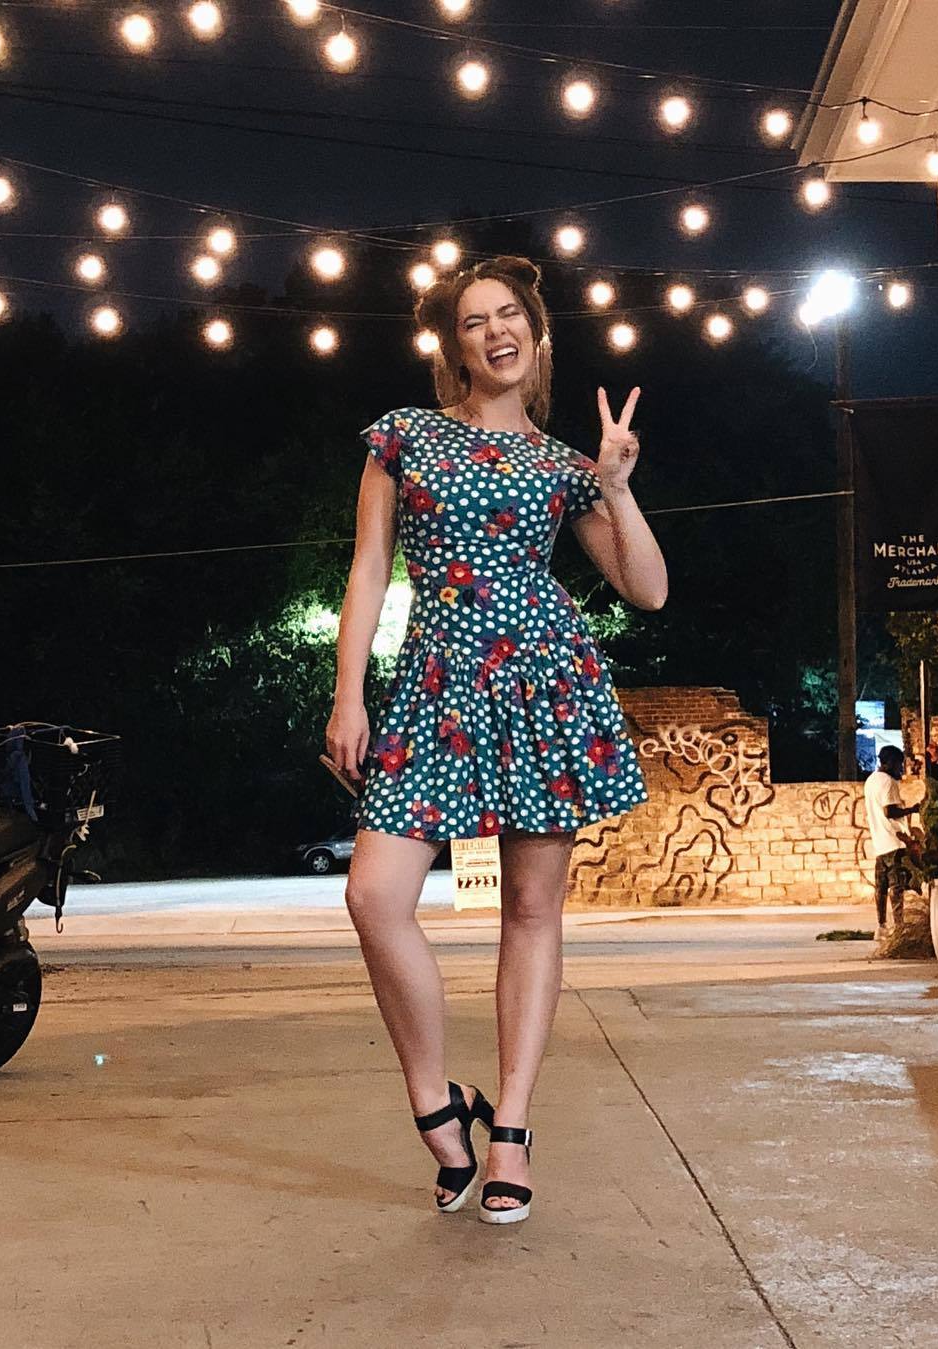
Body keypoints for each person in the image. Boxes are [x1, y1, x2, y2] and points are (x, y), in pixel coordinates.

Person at [326, 255, 667, 1225]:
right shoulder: (405, 435)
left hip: (544, 683)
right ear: (455, 346)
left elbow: (648, 589)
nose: (495, 331)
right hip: (434, 683)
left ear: (536, 332)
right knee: (373, 894)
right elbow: (369, 568)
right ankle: (437, 1098)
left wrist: (615, 486)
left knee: (530, 907)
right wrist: (348, 693)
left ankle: (511, 1122)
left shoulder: (563, 465)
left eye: (508, 314)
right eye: (474, 321)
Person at [862, 744, 919, 941]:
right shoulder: (888, 782)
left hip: (879, 842)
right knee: (897, 887)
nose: (901, 769)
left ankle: (881, 926)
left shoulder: (871, 781)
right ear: (891, 762)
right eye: (899, 764)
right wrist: (912, 810)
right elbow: (890, 811)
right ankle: (899, 927)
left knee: (881, 887)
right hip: (894, 841)